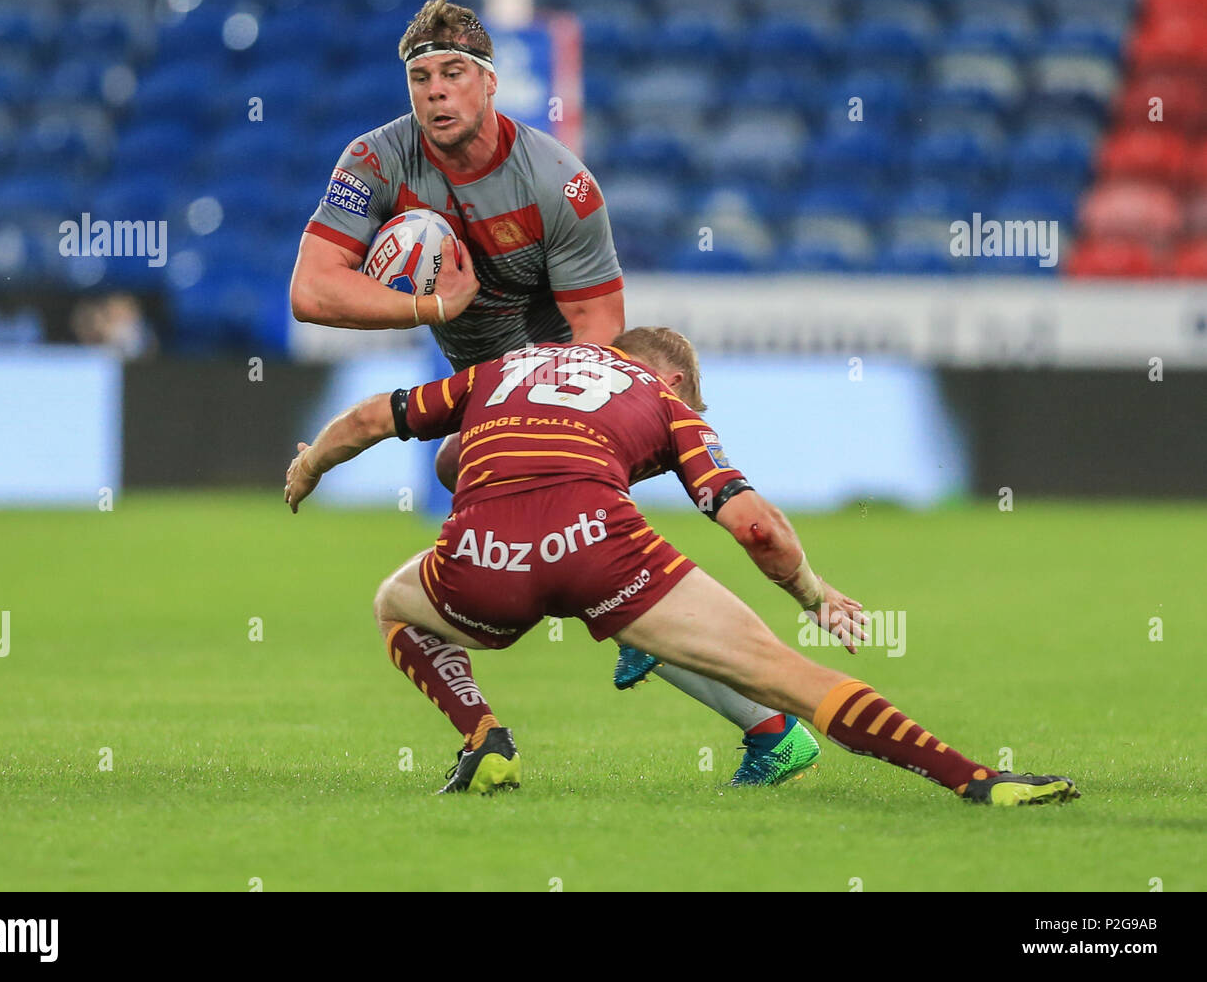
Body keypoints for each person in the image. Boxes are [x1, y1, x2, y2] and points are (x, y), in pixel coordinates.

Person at [288, 0, 814, 784]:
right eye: (421, 76)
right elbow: (313, 291)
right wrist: (433, 307)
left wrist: (532, 423)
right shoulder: (376, 161)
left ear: (491, 83)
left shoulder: (558, 185)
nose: (435, 91)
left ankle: (761, 723)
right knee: (573, 575)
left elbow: (599, 338)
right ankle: (766, 726)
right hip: (483, 383)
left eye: (454, 73)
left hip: (561, 384)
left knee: (527, 542)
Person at [284, 327, 1079, 807]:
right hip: (599, 549)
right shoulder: (666, 403)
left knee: (396, 604)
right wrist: (814, 593)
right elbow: (756, 527)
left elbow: (369, 419)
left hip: (482, 555)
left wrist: (311, 467)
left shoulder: (502, 371)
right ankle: (978, 780)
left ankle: (485, 737)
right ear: (668, 377)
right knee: (789, 674)